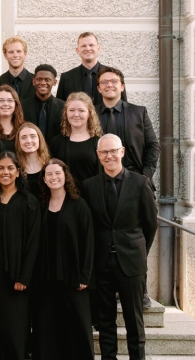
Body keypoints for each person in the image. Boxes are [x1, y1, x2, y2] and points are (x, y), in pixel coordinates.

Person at [82, 134, 158, 360]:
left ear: (122, 151)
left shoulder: (140, 183)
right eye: (104, 152)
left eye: (113, 151)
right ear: (98, 155)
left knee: (134, 319)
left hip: (131, 261)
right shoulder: (89, 186)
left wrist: (138, 251)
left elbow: (150, 225)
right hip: (102, 262)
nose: (109, 156)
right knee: (105, 320)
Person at [0, 151, 40, 360]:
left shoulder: (29, 202)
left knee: (13, 326)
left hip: (15, 277)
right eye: (1, 168)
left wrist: (24, 277)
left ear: (18, 172)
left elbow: (33, 243)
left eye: (10, 168)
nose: (5, 172)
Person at [33, 158, 95, 360]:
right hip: (47, 278)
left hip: (74, 277)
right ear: (43, 178)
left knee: (77, 326)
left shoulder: (79, 205)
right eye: (49, 174)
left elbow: (88, 242)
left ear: (65, 175)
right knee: (47, 327)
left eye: (57, 173)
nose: (53, 177)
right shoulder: (41, 205)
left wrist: (85, 275)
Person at [96, 66, 160, 181]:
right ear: (99, 88)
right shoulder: (91, 114)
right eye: (104, 82)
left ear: (122, 87)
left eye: (114, 81)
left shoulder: (139, 112)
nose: (109, 85)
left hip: (134, 177)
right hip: (100, 179)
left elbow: (153, 146)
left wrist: (145, 175)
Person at [49, 92, 103, 190]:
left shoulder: (99, 143)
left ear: (89, 113)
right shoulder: (56, 143)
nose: (76, 114)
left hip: (91, 198)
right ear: (66, 113)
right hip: (65, 198)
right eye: (72, 110)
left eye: (81, 110)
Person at [56, 32, 127, 105]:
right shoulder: (66, 77)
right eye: (83, 46)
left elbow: (124, 106)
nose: (87, 48)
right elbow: (60, 108)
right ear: (77, 50)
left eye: (91, 45)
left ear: (98, 48)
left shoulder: (114, 75)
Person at [22, 64, 65, 140]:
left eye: (47, 80)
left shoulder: (63, 107)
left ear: (54, 82)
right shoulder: (22, 105)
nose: (42, 83)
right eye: (39, 79)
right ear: (34, 81)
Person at [15, 122, 51, 199]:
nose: (28, 141)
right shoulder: (15, 167)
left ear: (39, 139)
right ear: (19, 142)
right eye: (23, 137)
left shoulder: (50, 165)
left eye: (33, 136)